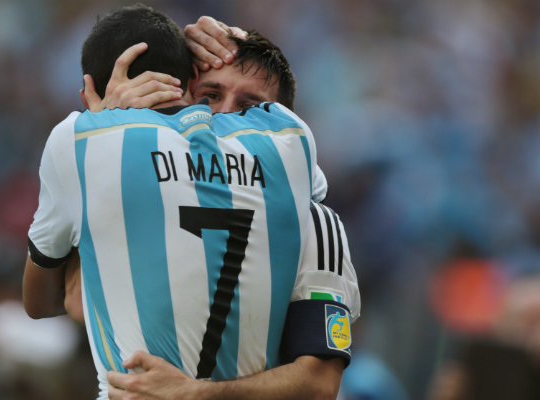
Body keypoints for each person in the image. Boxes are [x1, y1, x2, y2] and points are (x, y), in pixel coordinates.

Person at [23, 4, 360, 399]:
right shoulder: (124, 171)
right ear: (181, 94)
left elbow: (319, 384)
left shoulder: (315, 223)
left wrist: (195, 393)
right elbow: (75, 302)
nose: (223, 115)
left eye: (249, 109)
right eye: (210, 96)